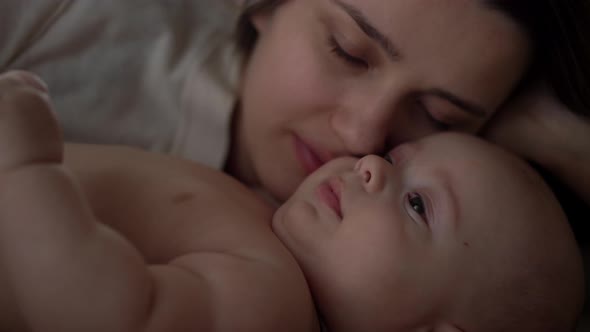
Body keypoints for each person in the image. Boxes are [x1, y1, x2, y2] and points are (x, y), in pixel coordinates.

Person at [0, 72, 584, 332]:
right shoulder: (271, 237)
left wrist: (23, 166)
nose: (372, 164)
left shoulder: (273, 302)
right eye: (401, 155)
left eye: (417, 207)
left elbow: (107, 317)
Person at [0, 0, 588, 207]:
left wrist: (546, 132)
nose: (362, 136)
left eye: (438, 116)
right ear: (267, 4)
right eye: (347, 51)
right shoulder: (68, 21)